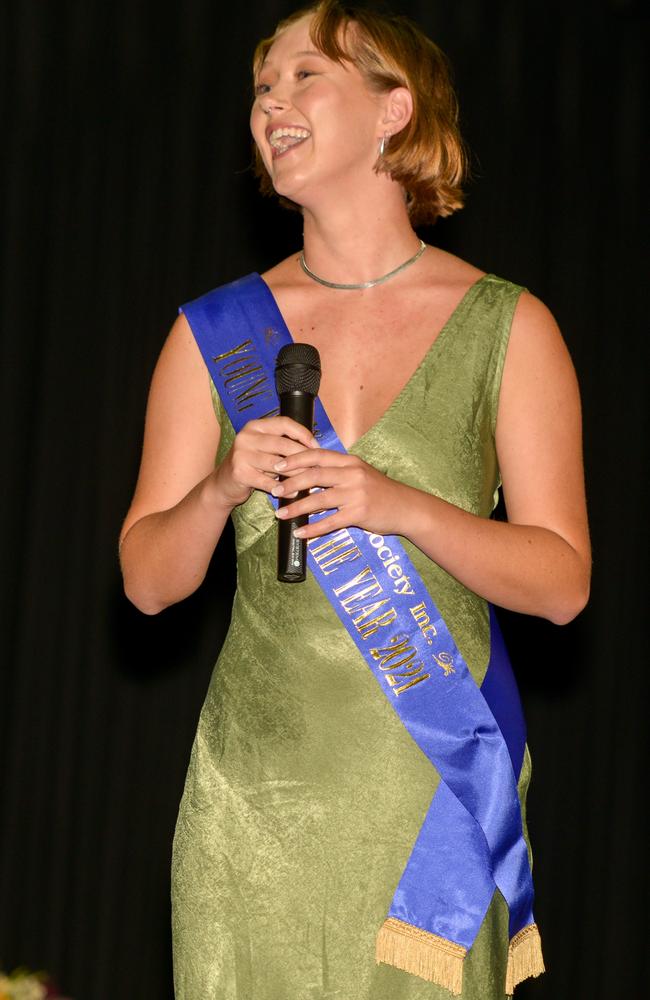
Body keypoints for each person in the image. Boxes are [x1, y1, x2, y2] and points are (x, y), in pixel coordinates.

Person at [119, 1, 591, 997]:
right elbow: (148, 583)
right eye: (260, 88)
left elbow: (559, 584)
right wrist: (218, 488)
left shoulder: (510, 326)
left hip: (425, 793)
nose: (269, 103)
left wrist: (402, 507)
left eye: (303, 76)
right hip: (249, 806)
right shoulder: (214, 335)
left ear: (392, 110)